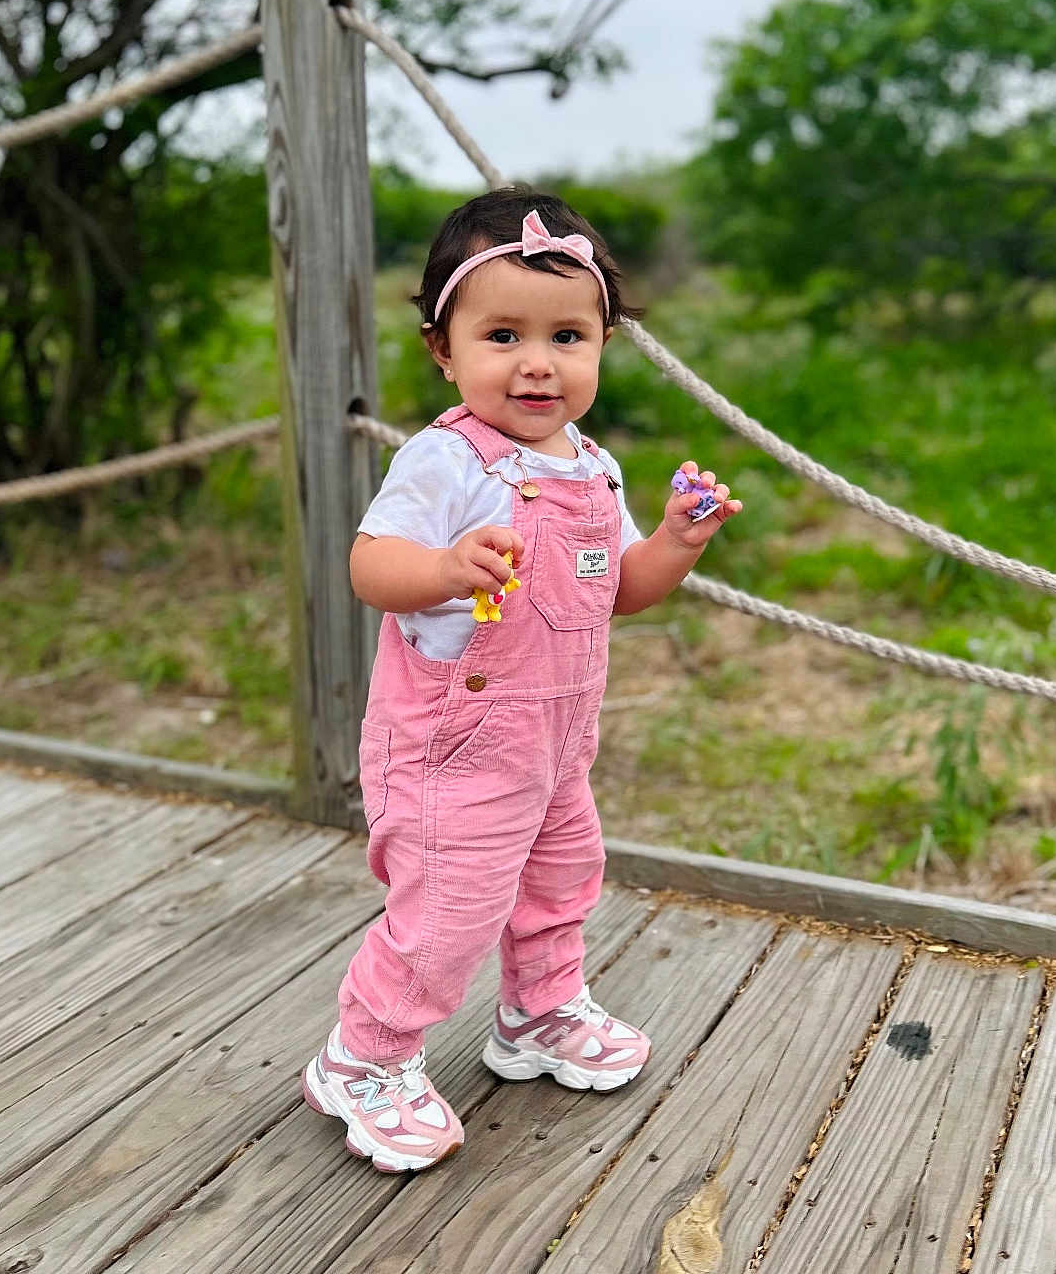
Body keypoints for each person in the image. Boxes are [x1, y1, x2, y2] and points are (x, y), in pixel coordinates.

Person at [301, 186, 742, 1172]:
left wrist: (677, 541)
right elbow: (371, 566)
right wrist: (447, 567)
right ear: (443, 349)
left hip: (554, 749)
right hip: (450, 749)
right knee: (449, 909)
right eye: (503, 334)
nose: (537, 362)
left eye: (568, 336)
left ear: (601, 346)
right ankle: (364, 1059)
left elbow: (620, 590)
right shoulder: (445, 461)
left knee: (559, 883)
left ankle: (537, 1015)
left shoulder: (595, 468)